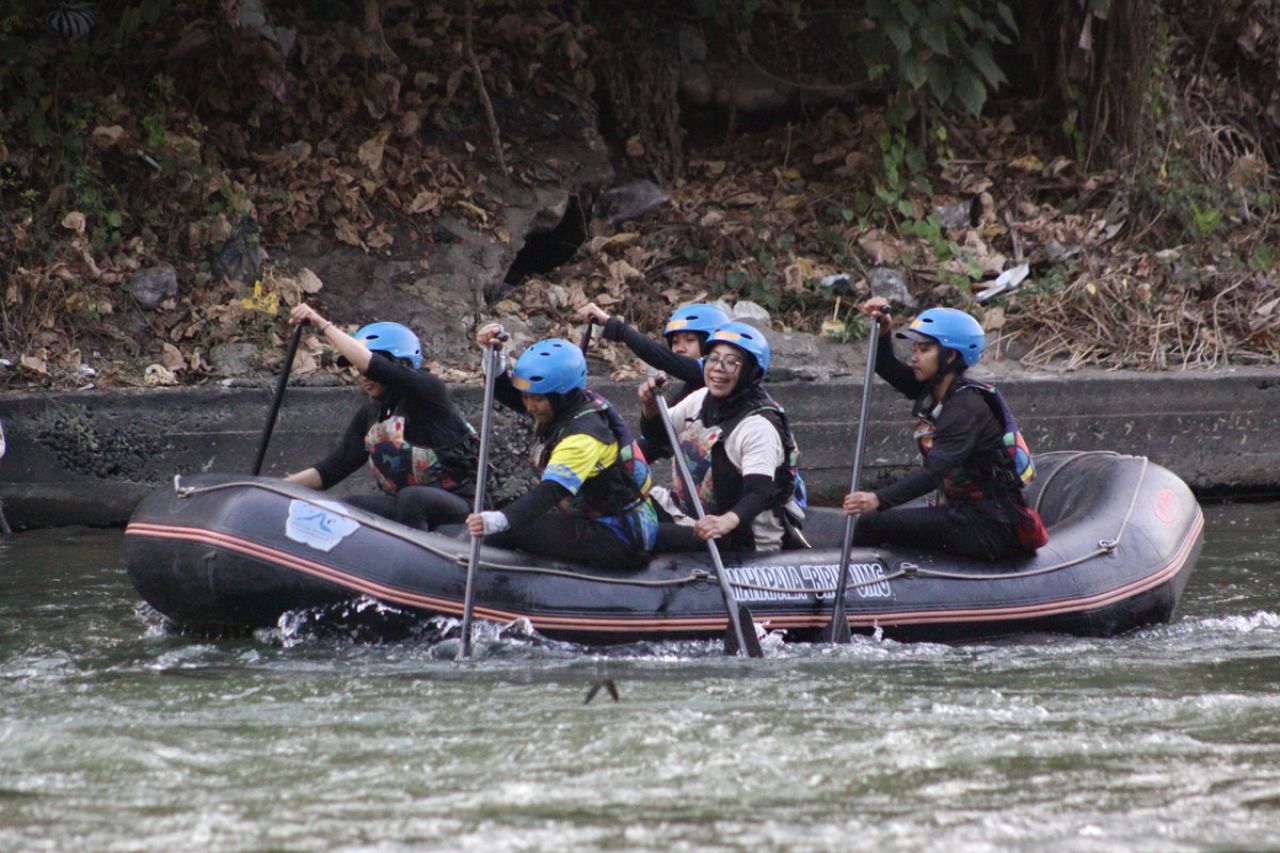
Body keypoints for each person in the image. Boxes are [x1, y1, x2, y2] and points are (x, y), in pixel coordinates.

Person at [842, 298, 1049, 561]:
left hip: (991, 526)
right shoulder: (936, 390)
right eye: (915, 348)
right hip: (963, 513)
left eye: (924, 349)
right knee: (885, 518)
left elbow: (933, 473)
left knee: (871, 523)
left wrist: (878, 499)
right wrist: (884, 330)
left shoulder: (965, 408)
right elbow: (887, 367)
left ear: (950, 355)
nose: (915, 357)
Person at [464, 327, 658, 569]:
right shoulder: (564, 405)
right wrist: (494, 358)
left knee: (506, 530)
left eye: (537, 399)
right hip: (598, 520)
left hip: (617, 535)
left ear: (562, 396)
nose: (530, 406)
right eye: (527, 397)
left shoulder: (584, 436)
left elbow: (552, 490)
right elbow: (510, 395)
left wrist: (500, 520)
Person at [284, 303, 480, 530]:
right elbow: (330, 471)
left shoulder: (429, 394)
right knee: (350, 507)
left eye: (368, 370)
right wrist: (270, 487)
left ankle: (412, 562)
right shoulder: (370, 417)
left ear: (402, 364)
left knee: (412, 498)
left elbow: (374, 366)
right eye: (358, 371)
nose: (364, 376)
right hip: (407, 508)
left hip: (460, 508)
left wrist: (321, 324)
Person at [638, 322, 804, 553]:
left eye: (731, 362)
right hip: (692, 518)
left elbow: (758, 492)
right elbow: (657, 435)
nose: (718, 368)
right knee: (628, 513)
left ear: (750, 371)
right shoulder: (702, 398)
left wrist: (726, 521)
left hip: (739, 535)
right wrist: (650, 407)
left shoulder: (758, 426)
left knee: (641, 533)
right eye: (713, 359)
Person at [576, 301, 729, 403]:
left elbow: (665, 359)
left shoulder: (713, 372)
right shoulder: (689, 391)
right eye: (675, 342)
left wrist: (615, 326)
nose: (679, 348)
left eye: (689, 340)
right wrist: (651, 409)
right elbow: (655, 439)